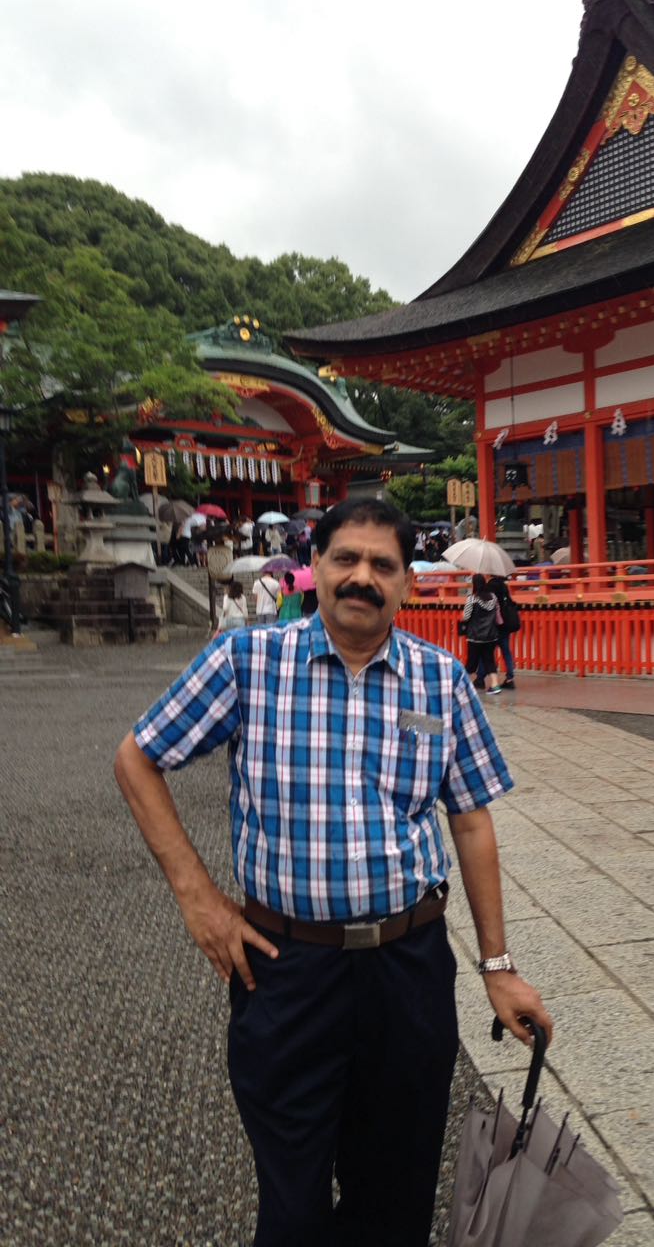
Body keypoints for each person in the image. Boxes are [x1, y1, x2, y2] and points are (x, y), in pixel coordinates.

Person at [113, 497, 551, 1247]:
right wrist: (201, 900)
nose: (362, 577)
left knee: (399, 1193)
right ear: (314, 568)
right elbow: (138, 757)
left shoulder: (440, 682)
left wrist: (498, 966)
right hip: (287, 969)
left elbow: (472, 820)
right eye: (346, 558)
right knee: (295, 1207)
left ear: (407, 584)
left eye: (383, 565)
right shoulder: (249, 663)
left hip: (407, 969)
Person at [461, 573, 504, 694]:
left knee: (471, 663)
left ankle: (462, 685)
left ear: (474, 584)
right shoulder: (493, 597)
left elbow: (466, 616)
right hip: (491, 636)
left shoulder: (471, 599)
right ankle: (495, 686)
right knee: (489, 660)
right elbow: (497, 616)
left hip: (475, 637)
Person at [484, 575, 520, 690]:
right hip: (506, 622)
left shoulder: (490, 586)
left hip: (495, 623)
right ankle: (510, 678)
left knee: (488, 652)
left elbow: (489, 604)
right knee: (506, 651)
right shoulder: (503, 585)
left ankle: (486, 680)